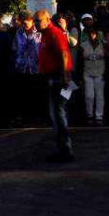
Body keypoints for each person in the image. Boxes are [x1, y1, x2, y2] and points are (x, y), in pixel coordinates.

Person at [36, 9, 74, 163]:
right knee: (58, 113)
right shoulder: (46, 34)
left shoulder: (54, 33)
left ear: (47, 19)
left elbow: (64, 54)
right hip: (56, 78)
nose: (37, 24)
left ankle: (65, 150)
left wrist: (65, 77)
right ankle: (63, 148)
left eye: (38, 20)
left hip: (59, 79)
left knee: (58, 114)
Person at [11, 11, 42, 124]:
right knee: (23, 93)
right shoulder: (18, 33)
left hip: (36, 68)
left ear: (32, 21)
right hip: (22, 67)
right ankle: (24, 117)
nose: (24, 24)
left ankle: (37, 116)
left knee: (36, 93)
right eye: (22, 22)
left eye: (26, 21)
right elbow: (15, 49)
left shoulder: (39, 32)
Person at [81, 26, 106, 125]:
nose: (92, 35)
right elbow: (80, 61)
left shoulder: (103, 45)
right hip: (88, 73)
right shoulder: (83, 45)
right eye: (90, 33)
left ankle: (99, 116)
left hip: (100, 72)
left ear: (97, 34)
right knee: (89, 96)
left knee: (100, 96)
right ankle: (89, 115)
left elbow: (108, 57)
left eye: (94, 33)